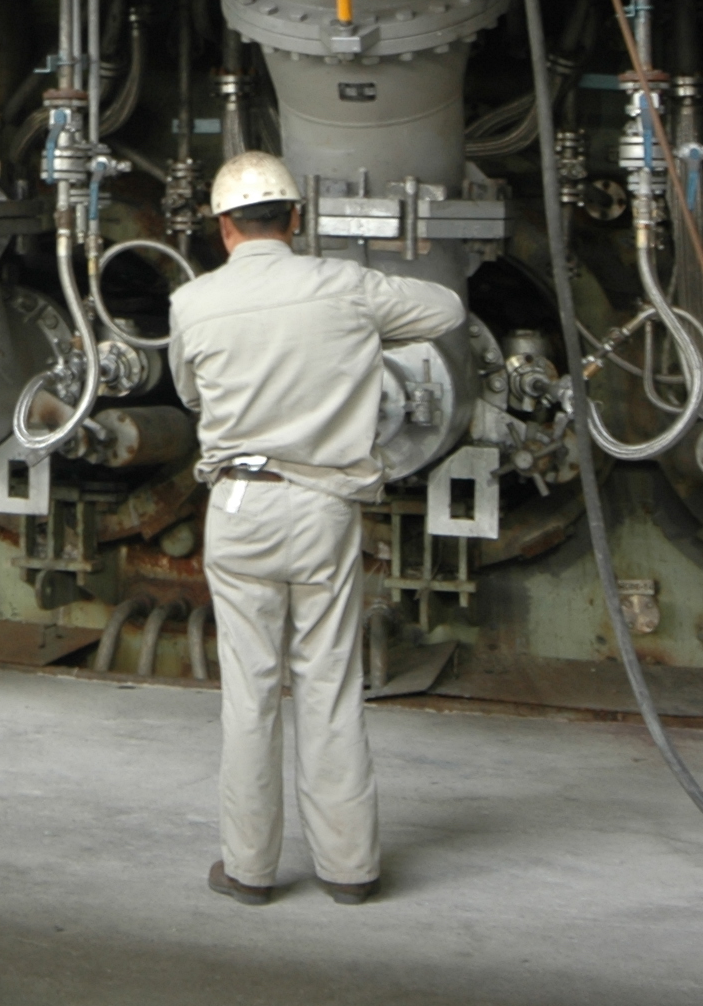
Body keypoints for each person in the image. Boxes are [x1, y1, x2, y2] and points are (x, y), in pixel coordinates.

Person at [168, 150, 467, 908]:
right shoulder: (343, 286)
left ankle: (248, 871)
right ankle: (349, 870)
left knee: (250, 690)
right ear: (296, 220)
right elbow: (446, 313)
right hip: (322, 507)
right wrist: (359, 338)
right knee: (329, 682)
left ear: (223, 228)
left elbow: (189, 391)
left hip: (238, 508)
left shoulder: (192, 302)